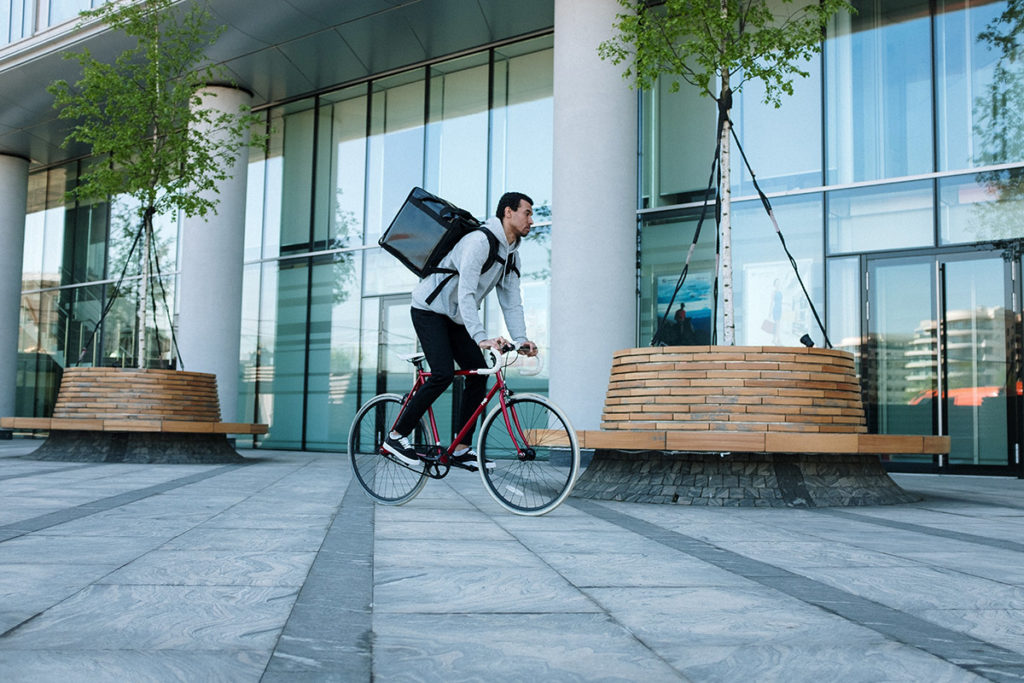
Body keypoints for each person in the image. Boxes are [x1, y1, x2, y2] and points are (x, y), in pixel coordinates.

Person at [384, 191, 539, 470]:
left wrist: (521, 339)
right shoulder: (479, 242)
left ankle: (462, 448)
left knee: (478, 375)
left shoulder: (512, 257)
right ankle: (396, 436)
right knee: (442, 373)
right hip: (429, 310)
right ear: (508, 212)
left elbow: (512, 302)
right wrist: (481, 337)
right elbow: (467, 293)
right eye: (527, 213)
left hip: (454, 318)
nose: (531, 220)